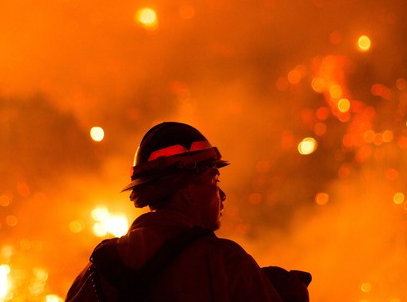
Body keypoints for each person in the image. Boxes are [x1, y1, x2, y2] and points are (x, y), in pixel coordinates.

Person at [65, 122, 310, 302]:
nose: (222, 195)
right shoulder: (224, 262)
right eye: (214, 181)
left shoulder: (97, 270)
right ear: (188, 192)